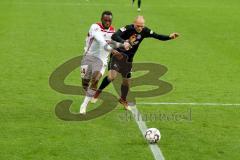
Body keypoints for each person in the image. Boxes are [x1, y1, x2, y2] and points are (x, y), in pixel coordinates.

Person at [92, 16, 179, 110]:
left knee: (126, 83)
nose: (140, 28)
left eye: (142, 26)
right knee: (112, 76)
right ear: (134, 24)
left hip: (128, 60)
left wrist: (169, 37)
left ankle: (123, 99)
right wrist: (124, 42)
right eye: (138, 26)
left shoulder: (145, 31)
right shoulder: (127, 28)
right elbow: (114, 36)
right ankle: (98, 92)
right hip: (117, 56)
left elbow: (157, 36)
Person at [79, 11, 126, 114]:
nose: (108, 22)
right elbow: (101, 40)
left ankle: (84, 105)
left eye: (110, 20)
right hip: (88, 58)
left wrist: (123, 45)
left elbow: (113, 43)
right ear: (101, 19)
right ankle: (89, 94)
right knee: (85, 83)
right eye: (105, 20)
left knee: (95, 79)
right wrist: (112, 50)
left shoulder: (112, 31)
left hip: (101, 61)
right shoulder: (95, 27)